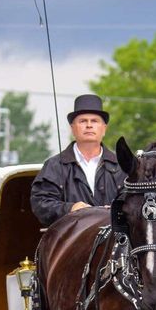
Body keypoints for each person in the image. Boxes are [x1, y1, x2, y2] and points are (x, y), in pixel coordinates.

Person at [30, 94, 127, 227]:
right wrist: (71, 209)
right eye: (82, 121)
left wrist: (115, 210)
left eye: (94, 121)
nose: (89, 125)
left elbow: (135, 202)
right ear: (72, 128)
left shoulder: (122, 165)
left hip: (114, 243)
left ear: (104, 128)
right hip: (68, 242)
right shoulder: (54, 166)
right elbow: (40, 203)